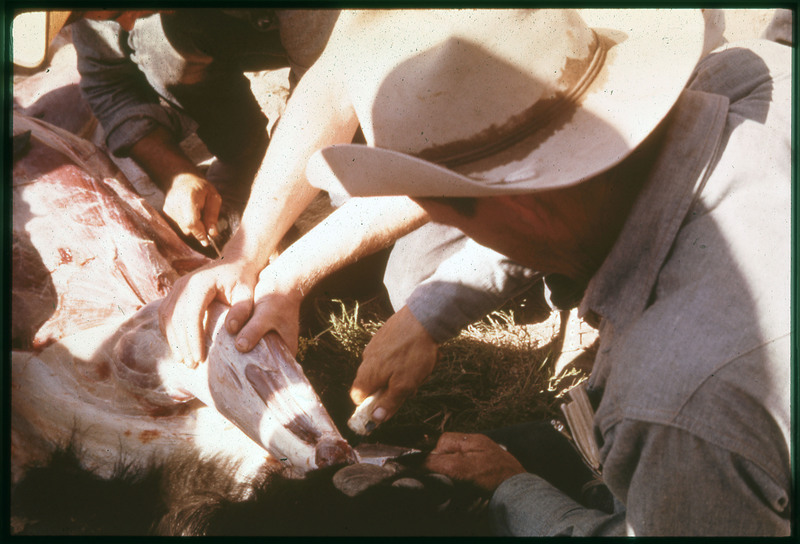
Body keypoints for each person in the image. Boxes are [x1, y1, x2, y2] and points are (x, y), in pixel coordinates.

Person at [158, 9, 791, 535]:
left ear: (522, 204)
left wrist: (511, 488)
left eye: (456, 218)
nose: (456, 235)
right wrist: (428, 312)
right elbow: (562, 200)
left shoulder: (672, 403)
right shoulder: (753, 79)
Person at [71, 9, 339, 248]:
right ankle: (243, 155)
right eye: (112, 17)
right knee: (156, 40)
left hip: (349, 33)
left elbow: (328, 84)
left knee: (346, 159)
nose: (127, 24)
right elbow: (107, 84)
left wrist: (265, 218)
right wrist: (175, 175)